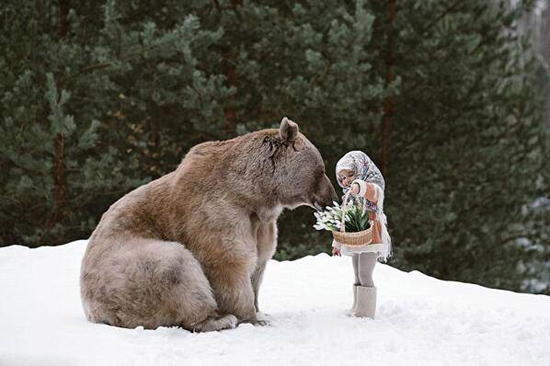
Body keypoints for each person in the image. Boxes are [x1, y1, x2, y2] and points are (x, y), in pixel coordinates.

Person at [332, 151, 392, 319]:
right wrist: (337, 244)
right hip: (358, 237)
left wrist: (360, 187)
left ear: (360, 169)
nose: (346, 181)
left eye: (350, 174)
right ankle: (358, 306)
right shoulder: (349, 197)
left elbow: (373, 193)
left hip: (371, 233)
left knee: (365, 273)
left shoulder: (374, 184)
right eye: (342, 178)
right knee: (357, 273)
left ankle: (365, 311)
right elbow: (345, 220)